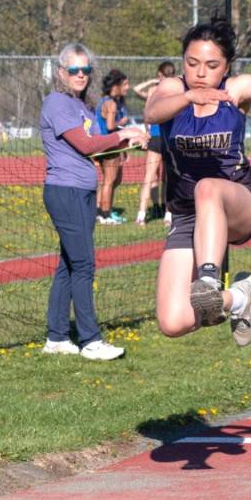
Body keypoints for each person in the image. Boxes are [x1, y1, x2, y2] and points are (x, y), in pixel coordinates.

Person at [144, 19, 251, 347]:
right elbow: (152, 113)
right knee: (172, 322)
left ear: (226, 67)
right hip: (188, 215)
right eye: (192, 63)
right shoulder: (175, 90)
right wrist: (190, 97)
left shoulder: (236, 89)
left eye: (211, 65)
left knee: (208, 186)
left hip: (238, 202)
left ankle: (208, 279)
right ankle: (238, 298)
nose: (200, 73)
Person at [40, 44, 148, 360]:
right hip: (65, 191)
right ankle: (90, 340)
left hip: (82, 191)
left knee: (69, 264)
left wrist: (131, 141)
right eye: (73, 70)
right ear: (61, 73)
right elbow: (86, 144)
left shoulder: (81, 106)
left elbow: (96, 149)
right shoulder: (57, 103)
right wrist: (123, 133)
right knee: (84, 264)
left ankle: (57, 337)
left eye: (85, 70)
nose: (80, 75)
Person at [132, 60, 175, 226]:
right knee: (168, 178)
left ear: (160, 75)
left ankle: (141, 215)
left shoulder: (153, 90)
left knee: (149, 176)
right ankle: (168, 216)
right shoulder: (177, 90)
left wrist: (147, 130)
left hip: (156, 137)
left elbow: (146, 113)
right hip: (169, 138)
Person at [93, 69, 131, 225]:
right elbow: (110, 126)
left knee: (111, 180)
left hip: (102, 144)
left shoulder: (104, 100)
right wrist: (121, 123)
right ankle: (105, 215)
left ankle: (99, 210)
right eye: (125, 84)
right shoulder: (111, 104)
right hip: (108, 145)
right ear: (116, 85)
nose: (128, 87)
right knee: (110, 180)